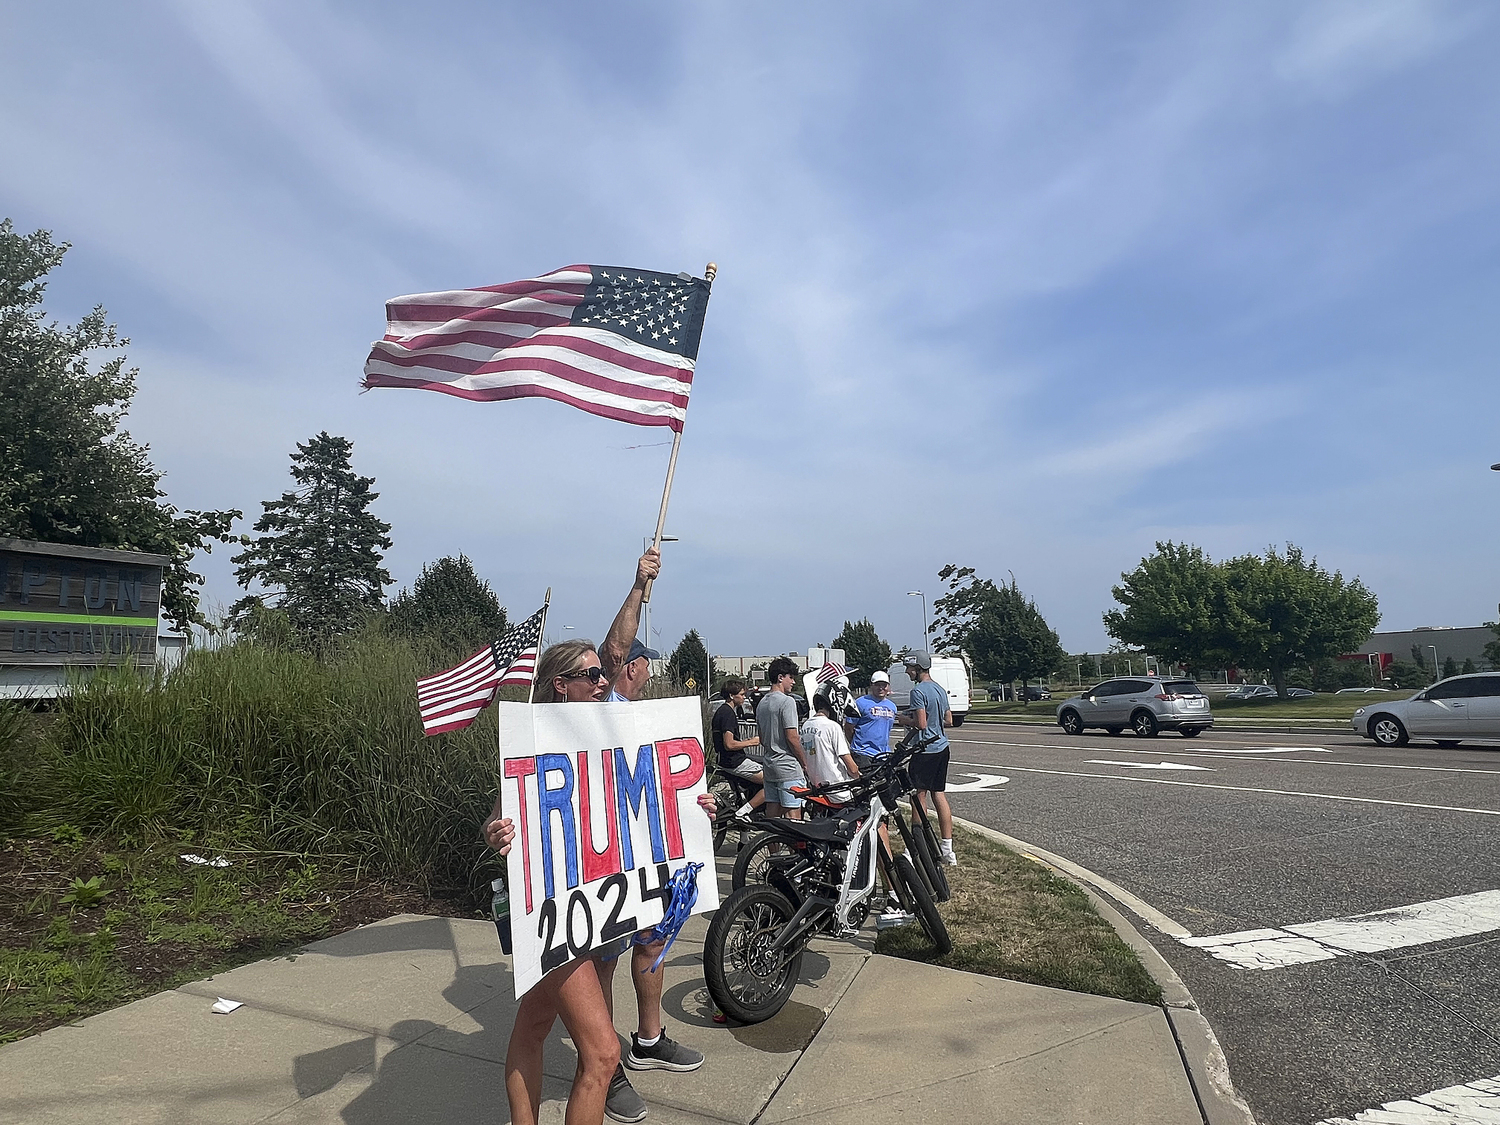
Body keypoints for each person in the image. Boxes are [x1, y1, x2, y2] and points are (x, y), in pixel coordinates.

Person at [593, 549, 709, 1122]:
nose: (645, 670)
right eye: (643, 664)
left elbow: (662, 782)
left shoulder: (647, 721)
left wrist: (695, 804)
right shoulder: (605, 704)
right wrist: (638, 585)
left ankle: (648, 1039)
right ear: (632, 668)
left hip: (647, 854)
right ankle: (605, 1060)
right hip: (604, 857)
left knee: (652, 942)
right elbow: (614, 647)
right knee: (603, 961)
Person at [897, 650, 957, 866]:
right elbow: (948, 719)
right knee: (938, 794)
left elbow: (920, 724)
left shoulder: (919, 691)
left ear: (918, 668)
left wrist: (904, 719)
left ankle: (915, 846)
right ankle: (947, 848)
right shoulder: (939, 689)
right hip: (942, 746)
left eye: (909, 668)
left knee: (918, 798)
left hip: (925, 750)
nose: (907, 671)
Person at [755, 656, 814, 819]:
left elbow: (761, 737)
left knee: (772, 812)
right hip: (788, 766)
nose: (793, 682)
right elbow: (792, 737)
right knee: (792, 811)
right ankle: (793, 845)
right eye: (791, 678)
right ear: (781, 677)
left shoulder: (762, 704)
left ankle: (771, 844)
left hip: (769, 764)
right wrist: (804, 763)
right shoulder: (787, 702)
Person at [712, 678, 764, 815]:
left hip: (724, 759)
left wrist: (744, 741)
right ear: (731, 695)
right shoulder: (728, 713)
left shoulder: (721, 711)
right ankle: (745, 812)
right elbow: (729, 744)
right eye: (741, 694)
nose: (744, 697)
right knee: (773, 780)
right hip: (734, 761)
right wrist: (752, 742)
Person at [800, 692, 860, 802]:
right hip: (839, 791)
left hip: (817, 787)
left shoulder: (806, 725)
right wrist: (858, 776)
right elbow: (850, 765)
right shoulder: (832, 727)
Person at [845, 670, 899, 774]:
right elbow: (849, 727)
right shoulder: (860, 703)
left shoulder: (892, 707)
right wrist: (855, 744)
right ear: (871, 685)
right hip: (863, 753)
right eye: (877, 685)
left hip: (883, 754)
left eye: (884, 685)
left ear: (888, 686)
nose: (881, 688)